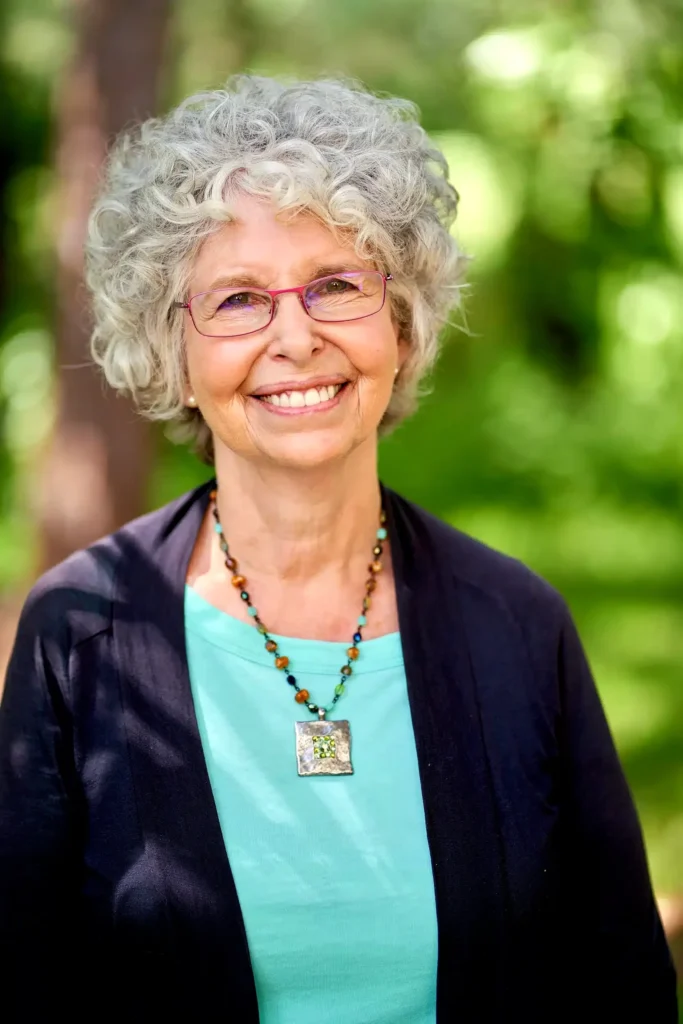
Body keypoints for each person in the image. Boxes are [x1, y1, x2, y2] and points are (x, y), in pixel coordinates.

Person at [0, 75, 676, 1023]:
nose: (295, 336)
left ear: (401, 324)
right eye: (237, 299)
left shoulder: (517, 625)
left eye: (336, 285)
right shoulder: (79, 632)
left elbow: (619, 989)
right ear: (171, 349)